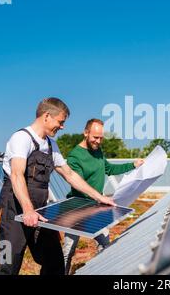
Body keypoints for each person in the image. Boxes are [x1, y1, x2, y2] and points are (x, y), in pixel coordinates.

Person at [0, 98, 115, 275]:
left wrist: (99, 197)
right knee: (7, 267)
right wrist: (28, 210)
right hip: (12, 213)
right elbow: (16, 174)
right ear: (47, 116)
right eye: (61, 122)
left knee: (56, 263)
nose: (62, 126)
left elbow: (70, 175)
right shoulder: (21, 138)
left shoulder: (51, 145)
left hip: (40, 213)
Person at [62, 118, 144, 275]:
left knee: (105, 245)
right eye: (95, 137)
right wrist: (99, 197)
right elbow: (78, 184)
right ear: (86, 133)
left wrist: (132, 165)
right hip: (76, 209)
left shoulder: (98, 151)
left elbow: (110, 168)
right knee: (68, 251)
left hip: (95, 208)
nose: (98, 141)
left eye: (101, 138)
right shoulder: (74, 156)